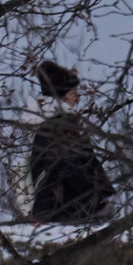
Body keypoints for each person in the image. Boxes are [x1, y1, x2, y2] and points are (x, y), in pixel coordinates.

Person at [26, 61, 111, 224]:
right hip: (64, 207)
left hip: (59, 207)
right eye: (74, 93)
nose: (78, 99)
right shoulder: (59, 128)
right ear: (62, 96)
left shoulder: (54, 125)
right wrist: (94, 196)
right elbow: (70, 166)